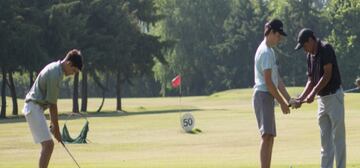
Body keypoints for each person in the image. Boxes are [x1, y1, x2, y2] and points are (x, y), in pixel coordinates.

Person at [293, 28, 346, 168]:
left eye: (305, 46)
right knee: (325, 141)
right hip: (322, 100)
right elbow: (310, 81)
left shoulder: (326, 48)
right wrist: (301, 98)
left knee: (338, 139)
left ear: (311, 40)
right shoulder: (309, 56)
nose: (305, 50)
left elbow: (327, 75)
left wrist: (313, 94)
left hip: (334, 96)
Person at [22, 49, 83, 168]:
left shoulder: (56, 68)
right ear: (69, 64)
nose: (72, 74)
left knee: (48, 145)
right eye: (74, 71)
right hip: (33, 107)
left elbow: (50, 103)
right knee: (49, 145)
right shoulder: (55, 74)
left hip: (36, 108)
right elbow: (52, 105)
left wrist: (53, 125)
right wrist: (57, 130)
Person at [253, 19, 291, 168]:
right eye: (278, 35)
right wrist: (282, 103)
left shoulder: (270, 51)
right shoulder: (266, 52)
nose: (280, 38)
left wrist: (289, 99)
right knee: (266, 136)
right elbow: (269, 83)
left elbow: (277, 79)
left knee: (270, 136)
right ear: (271, 33)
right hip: (263, 95)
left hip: (267, 95)